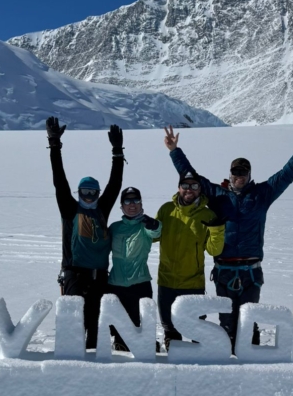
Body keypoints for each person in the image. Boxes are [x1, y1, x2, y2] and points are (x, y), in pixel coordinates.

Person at [163, 120, 293, 351]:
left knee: (249, 321)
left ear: (249, 174)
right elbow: (191, 177)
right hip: (224, 270)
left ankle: (251, 366)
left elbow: (287, 175)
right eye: (236, 172)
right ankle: (228, 371)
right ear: (230, 172)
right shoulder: (217, 194)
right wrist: (174, 151)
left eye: (243, 172)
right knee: (227, 322)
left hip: (251, 271)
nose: (239, 176)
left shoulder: (262, 194)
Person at [46, 116, 124, 349]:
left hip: (100, 277)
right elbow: (59, 181)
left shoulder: (102, 210)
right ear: (78, 192)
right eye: (84, 192)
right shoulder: (70, 209)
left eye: (93, 192)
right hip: (75, 276)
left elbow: (115, 184)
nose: (89, 196)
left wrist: (118, 152)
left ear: (98, 194)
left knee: (97, 328)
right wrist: (54, 145)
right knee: (74, 328)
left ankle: (95, 376)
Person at [155, 170, 225, 348]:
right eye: (185, 185)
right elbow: (153, 236)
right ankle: (172, 372)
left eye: (194, 186)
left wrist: (217, 230)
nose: (189, 189)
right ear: (179, 188)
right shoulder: (166, 210)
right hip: (167, 281)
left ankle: (199, 373)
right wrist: (149, 226)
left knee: (197, 334)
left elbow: (213, 249)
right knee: (171, 333)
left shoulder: (207, 215)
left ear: (200, 189)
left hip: (193, 284)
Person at [107, 187, 161, 350]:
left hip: (140, 283)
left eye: (136, 200)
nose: (132, 205)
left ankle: (145, 347)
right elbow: (101, 249)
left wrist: (154, 225)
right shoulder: (115, 228)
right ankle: (119, 345)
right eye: (128, 201)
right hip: (116, 283)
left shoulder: (145, 226)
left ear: (141, 203)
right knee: (117, 324)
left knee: (140, 322)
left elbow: (156, 232)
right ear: (122, 206)